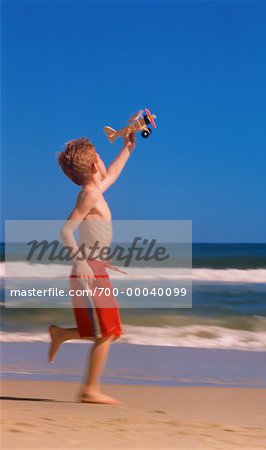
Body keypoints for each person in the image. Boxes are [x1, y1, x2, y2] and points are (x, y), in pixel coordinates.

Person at [48, 131, 136, 404]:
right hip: (88, 271)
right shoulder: (89, 195)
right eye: (100, 157)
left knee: (110, 330)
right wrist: (81, 262)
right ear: (93, 165)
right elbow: (65, 231)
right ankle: (90, 390)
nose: (103, 161)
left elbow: (113, 173)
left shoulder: (96, 190)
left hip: (97, 268)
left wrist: (127, 148)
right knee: (108, 331)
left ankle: (61, 334)